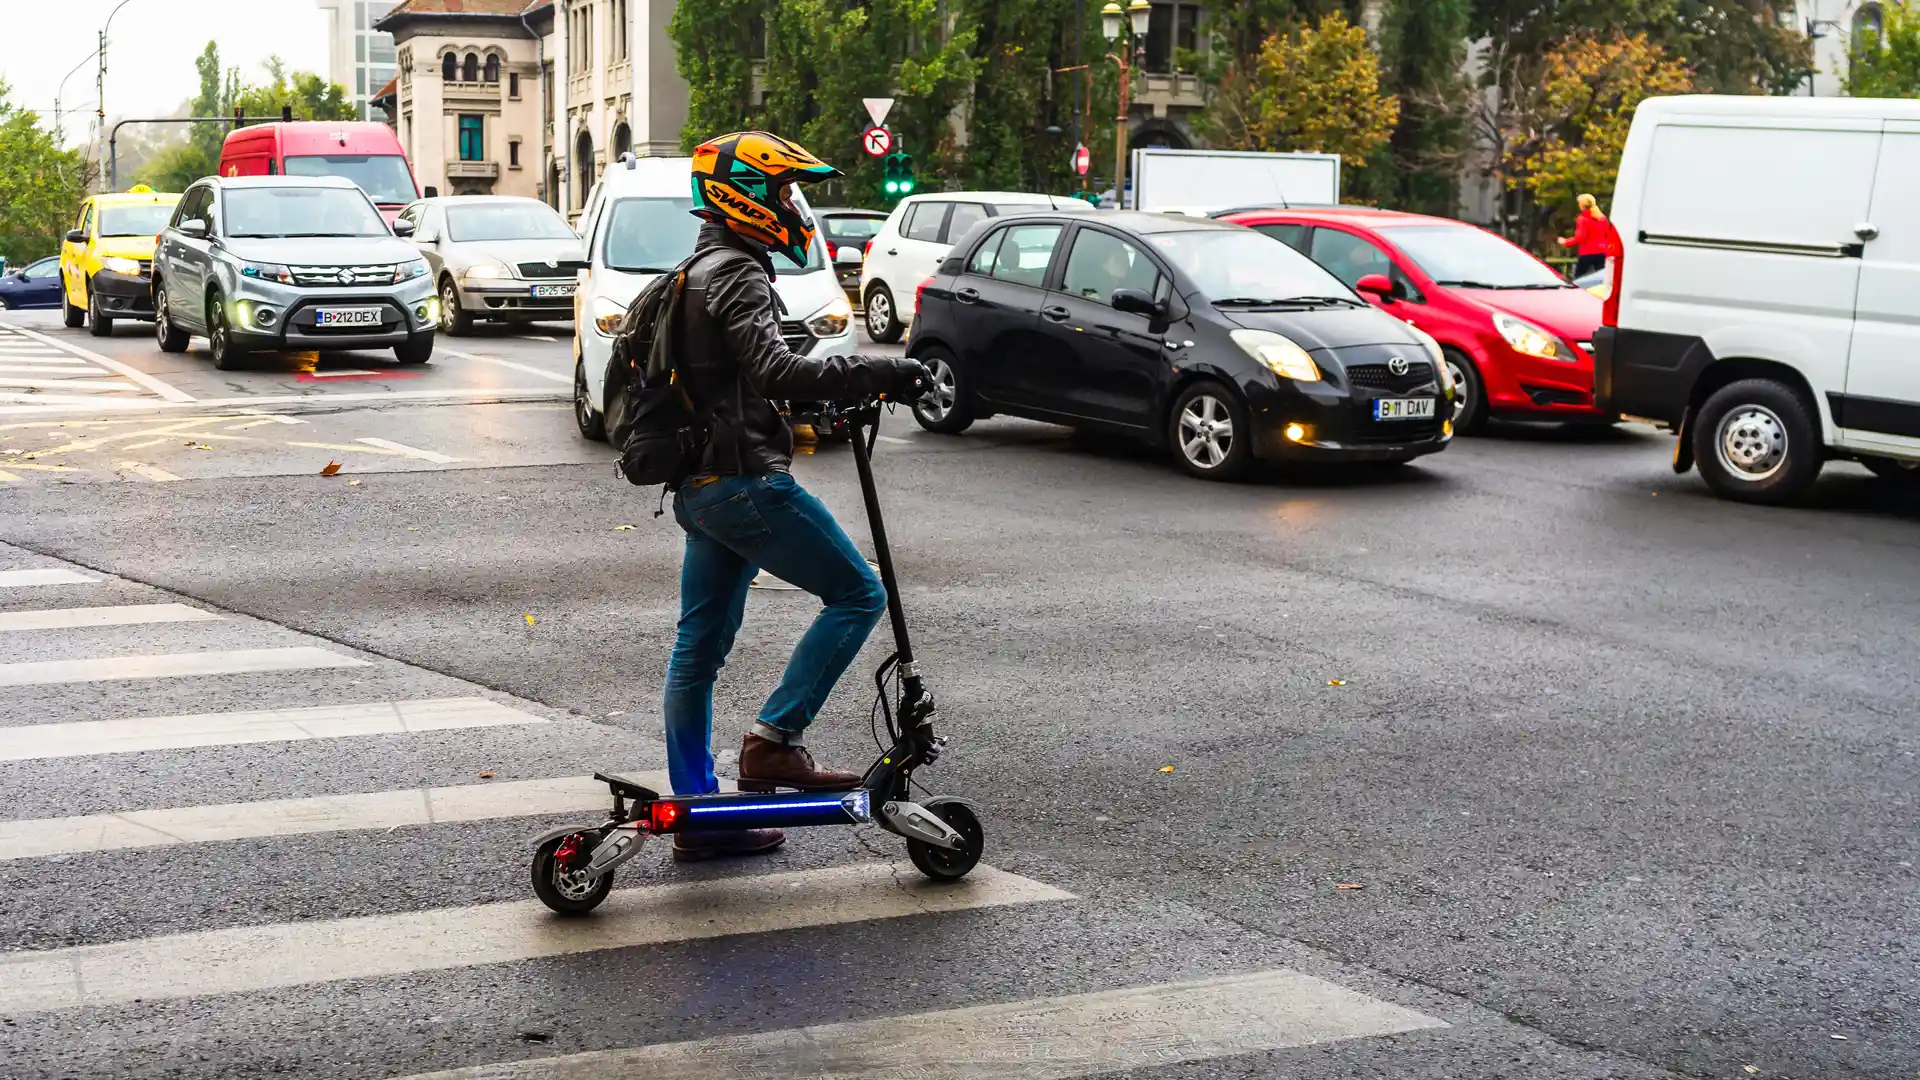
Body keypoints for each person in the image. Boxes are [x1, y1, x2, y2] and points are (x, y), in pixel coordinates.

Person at [661, 131, 928, 863]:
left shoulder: (694, 268)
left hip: (699, 486)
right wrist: (880, 371)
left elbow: (738, 378)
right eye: (781, 191)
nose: (790, 205)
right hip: (747, 483)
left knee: (697, 652)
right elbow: (776, 370)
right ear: (739, 193)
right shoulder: (739, 273)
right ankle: (775, 742)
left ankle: (696, 813)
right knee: (857, 594)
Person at [1559, 194, 1611, 278]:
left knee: (1579, 279)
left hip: (1587, 252)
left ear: (1582, 205)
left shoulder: (1583, 219)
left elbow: (1581, 237)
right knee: (1601, 278)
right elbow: (1608, 235)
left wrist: (1566, 242)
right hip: (1602, 252)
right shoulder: (1602, 218)